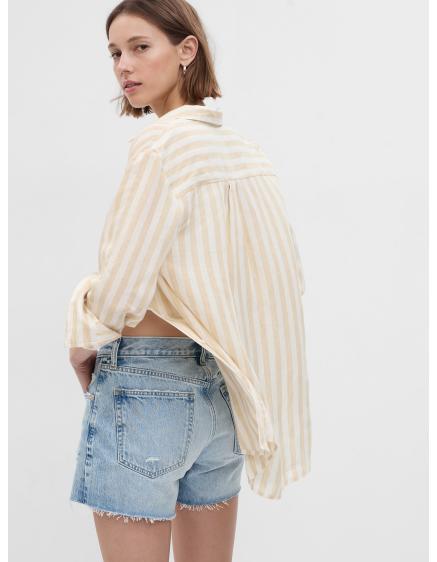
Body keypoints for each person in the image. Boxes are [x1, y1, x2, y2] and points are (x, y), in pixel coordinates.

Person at [65, 1, 312, 561]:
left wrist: (81, 333)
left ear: (186, 49)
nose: (124, 65)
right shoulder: (247, 154)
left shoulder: (160, 147)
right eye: (114, 53)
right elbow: (279, 277)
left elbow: (122, 291)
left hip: (149, 383)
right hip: (223, 387)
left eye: (140, 47)